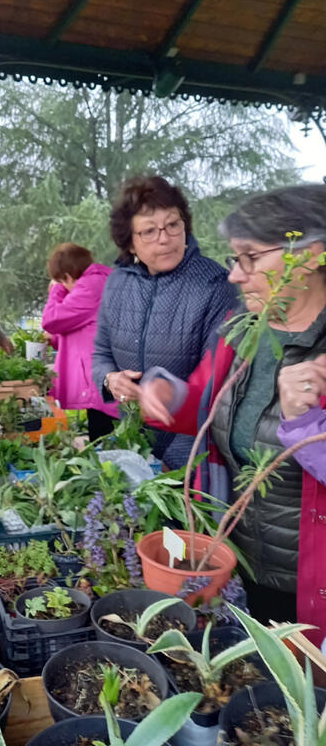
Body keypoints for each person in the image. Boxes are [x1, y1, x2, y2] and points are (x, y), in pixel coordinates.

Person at [138, 184, 326, 642]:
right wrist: (166, 394)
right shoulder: (244, 330)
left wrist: (305, 423)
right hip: (235, 563)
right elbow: (206, 403)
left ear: (311, 255)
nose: (235, 277)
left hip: (308, 585)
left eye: (250, 258)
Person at [92, 176, 237, 468]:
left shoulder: (214, 285)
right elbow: (100, 354)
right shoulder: (117, 283)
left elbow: (220, 379)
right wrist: (110, 380)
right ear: (130, 244)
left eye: (173, 224)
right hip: (132, 438)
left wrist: (167, 395)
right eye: (149, 231)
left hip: (192, 444)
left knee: (186, 512)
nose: (165, 238)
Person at [42, 243, 118, 441]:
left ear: (67, 276)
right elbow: (83, 327)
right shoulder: (100, 282)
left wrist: (56, 290)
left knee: (105, 444)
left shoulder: (90, 285)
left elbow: (51, 319)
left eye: (62, 281)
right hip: (106, 376)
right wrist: (56, 339)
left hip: (102, 379)